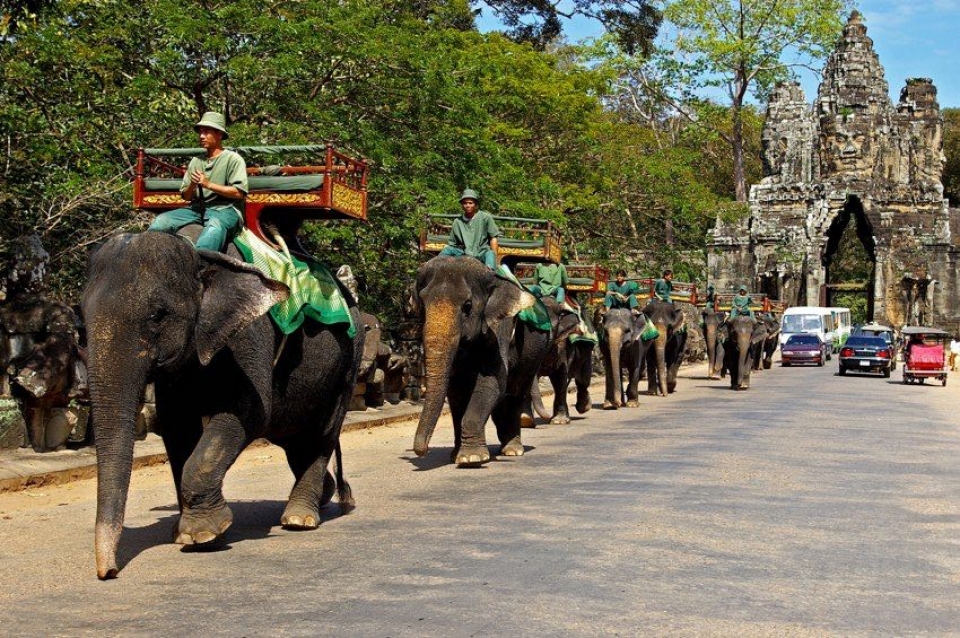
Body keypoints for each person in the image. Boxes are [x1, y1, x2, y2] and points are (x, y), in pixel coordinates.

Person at [148, 112, 248, 252]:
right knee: (161, 221)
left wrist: (208, 185)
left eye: (206, 132)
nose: (201, 136)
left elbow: (238, 193)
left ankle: (202, 261)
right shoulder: (196, 161)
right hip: (198, 209)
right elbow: (186, 197)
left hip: (226, 209)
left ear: (219, 134)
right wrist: (192, 185)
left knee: (214, 227)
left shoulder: (233, 159)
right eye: (200, 132)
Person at [438, 189, 500, 269]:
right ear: (462, 205)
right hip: (464, 252)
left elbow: (493, 238)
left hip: (481, 252)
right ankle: (434, 267)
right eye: (465, 203)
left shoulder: (485, 217)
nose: (468, 205)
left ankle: (491, 271)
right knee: (447, 250)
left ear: (475, 204)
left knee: (490, 254)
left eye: (470, 203)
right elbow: (452, 244)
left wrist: (495, 259)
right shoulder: (457, 222)